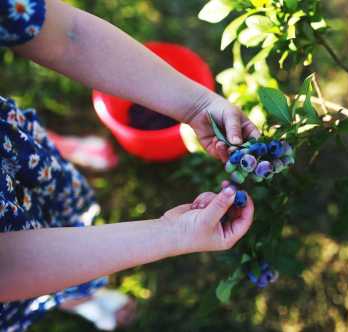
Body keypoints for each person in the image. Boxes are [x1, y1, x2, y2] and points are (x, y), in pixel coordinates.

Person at [0, 0, 260, 330]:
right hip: (12, 275)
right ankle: (76, 297)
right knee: (37, 285)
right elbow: (10, 266)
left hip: (15, 160)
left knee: (57, 216)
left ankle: (74, 290)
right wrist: (170, 234)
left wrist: (197, 105)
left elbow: (66, 34)